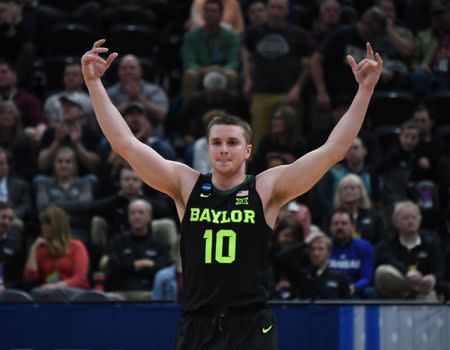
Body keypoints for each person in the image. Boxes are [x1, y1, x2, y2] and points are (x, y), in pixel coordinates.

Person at [81, 38, 382, 349]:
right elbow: (125, 145)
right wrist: (93, 83)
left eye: (232, 143)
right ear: (208, 149)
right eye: (217, 142)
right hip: (197, 322)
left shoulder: (266, 188)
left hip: (250, 324)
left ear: (248, 150)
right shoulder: (186, 185)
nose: (224, 149)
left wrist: (365, 90)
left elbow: (333, 151)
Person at [375, 201, 443, 300]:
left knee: (429, 297)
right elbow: (387, 260)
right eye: (405, 218)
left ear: (420, 220)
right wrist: (406, 272)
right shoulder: (387, 243)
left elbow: (440, 269)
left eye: (414, 217)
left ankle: (418, 289)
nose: (410, 221)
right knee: (382, 272)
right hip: (396, 289)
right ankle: (417, 288)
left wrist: (433, 277)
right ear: (395, 223)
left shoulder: (432, 242)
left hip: (425, 290)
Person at [23, 206, 90, 302]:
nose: (44, 227)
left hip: (75, 293)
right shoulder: (41, 249)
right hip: (50, 294)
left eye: (48, 224)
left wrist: (56, 286)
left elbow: (80, 279)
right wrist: (33, 249)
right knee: (34, 293)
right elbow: (30, 278)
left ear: (58, 226)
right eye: (43, 224)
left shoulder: (77, 246)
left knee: (56, 292)